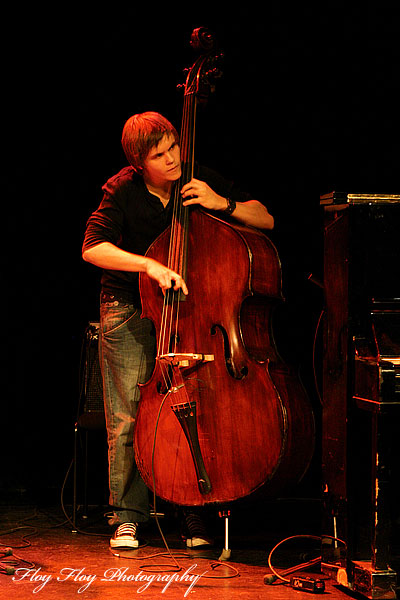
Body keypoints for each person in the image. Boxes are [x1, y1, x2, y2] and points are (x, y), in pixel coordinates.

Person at [82, 111, 274, 549]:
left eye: (174, 148)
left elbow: (266, 219)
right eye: (159, 155)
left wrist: (218, 202)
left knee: (193, 407)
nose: (172, 160)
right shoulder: (122, 190)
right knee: (131, 414)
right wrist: (148, 264)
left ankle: (192, 508)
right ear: (138, 162)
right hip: (130, 308)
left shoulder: (195, 178)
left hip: (188, 312)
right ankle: (128, 516)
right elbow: (93, 248)